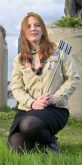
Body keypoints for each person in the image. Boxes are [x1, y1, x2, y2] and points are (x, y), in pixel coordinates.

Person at [8, 12, 80, 153]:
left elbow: (73, 78)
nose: (33, 29)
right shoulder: (19, 60)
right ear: (24, 32)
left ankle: (51, 142)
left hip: (54, 108)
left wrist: (56, 98)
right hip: (28, 109)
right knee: (16, 147)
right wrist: (32, 102)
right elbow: (16, 88)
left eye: (37, 25)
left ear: (43, 30)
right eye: (28, 26)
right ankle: (36, 140)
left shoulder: (59, 52)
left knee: (28, 125)